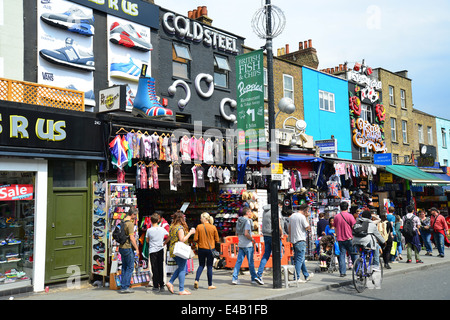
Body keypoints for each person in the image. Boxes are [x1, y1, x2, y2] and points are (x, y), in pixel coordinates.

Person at [165, 210, 196, 295]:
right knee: (182, 269)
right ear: (181, 218)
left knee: (181, 267)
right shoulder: (180, 228)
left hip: (173, 249)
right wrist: (190, 233)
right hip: (180, 250)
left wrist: (164, 243)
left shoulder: (172, 226)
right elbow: (182, 240)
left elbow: (170, 237)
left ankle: (170, 282)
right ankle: (181, 289)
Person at [232, 207, 264, 285]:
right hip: (248, 244)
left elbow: (237, 233)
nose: (251, 214)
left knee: (238, 262)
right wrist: (252, 239)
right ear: (247, 213)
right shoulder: (247, 221)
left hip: (241, 243)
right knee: (250, 262)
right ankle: (253, 278)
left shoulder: (238, 221)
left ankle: (234, 278)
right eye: (250, 212)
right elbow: (246, 233)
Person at [257, 203, 283, 280]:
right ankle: (277, 272)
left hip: (266, 234)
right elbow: (278, 224)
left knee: (266, 254)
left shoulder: (265, 210)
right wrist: (281, 233)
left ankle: (259, 273)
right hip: (274, 234)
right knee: (279, 255)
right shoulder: (276, 210)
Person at [194, 212, 219, 290]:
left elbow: (195, 239)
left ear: (204, 219)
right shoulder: (213, 227)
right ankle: (210, 284)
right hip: (210, 249)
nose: (200, 219)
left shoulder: (199, 227)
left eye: (201, 218)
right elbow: (217, 239)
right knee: (209, 267)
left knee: (201, 265)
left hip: (201, 249)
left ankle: (196, 280)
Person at [289, 203, 314, 283]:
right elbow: (308, 227)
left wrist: (290, 238)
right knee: (299, 259)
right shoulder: (302, 217)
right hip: (301, 239)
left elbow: (289, 228)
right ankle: (296, 277)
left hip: (294, 240)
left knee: (301, 258)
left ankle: (306, 275)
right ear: (306, 210)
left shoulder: (292, 216)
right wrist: (307, 217)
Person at [118, 207, 139, 294]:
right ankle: (125, 287)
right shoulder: (130, 224)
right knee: (130, 267)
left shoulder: (122, 221)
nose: (136, 217)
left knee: (124, 267)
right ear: (133, 214)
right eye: (136, 215)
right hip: (127, 247)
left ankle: (123, 285)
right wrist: (137, 248)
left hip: (121, 247)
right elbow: (132, 237)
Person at [146, 213, 169, 292]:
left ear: (151, 221)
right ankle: (162, 284)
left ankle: (155, 285)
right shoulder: (162, 229)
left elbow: (147, 240)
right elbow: (169, 236)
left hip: (152, 250)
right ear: (158, 220)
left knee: (154, 267)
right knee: (160, 267)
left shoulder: (149, 230)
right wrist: (165, 242)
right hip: (160, 249)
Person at [334, 201, 357, 277]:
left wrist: (337, 235)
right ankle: (357, 270)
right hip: (350, 238)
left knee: (342, 255)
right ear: (347, 207)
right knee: (353, 255)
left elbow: (335, 227)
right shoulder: (350, 216)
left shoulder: (336, 216)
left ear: (340, 208)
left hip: (340, 239)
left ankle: (342, 272)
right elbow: (354, 226)